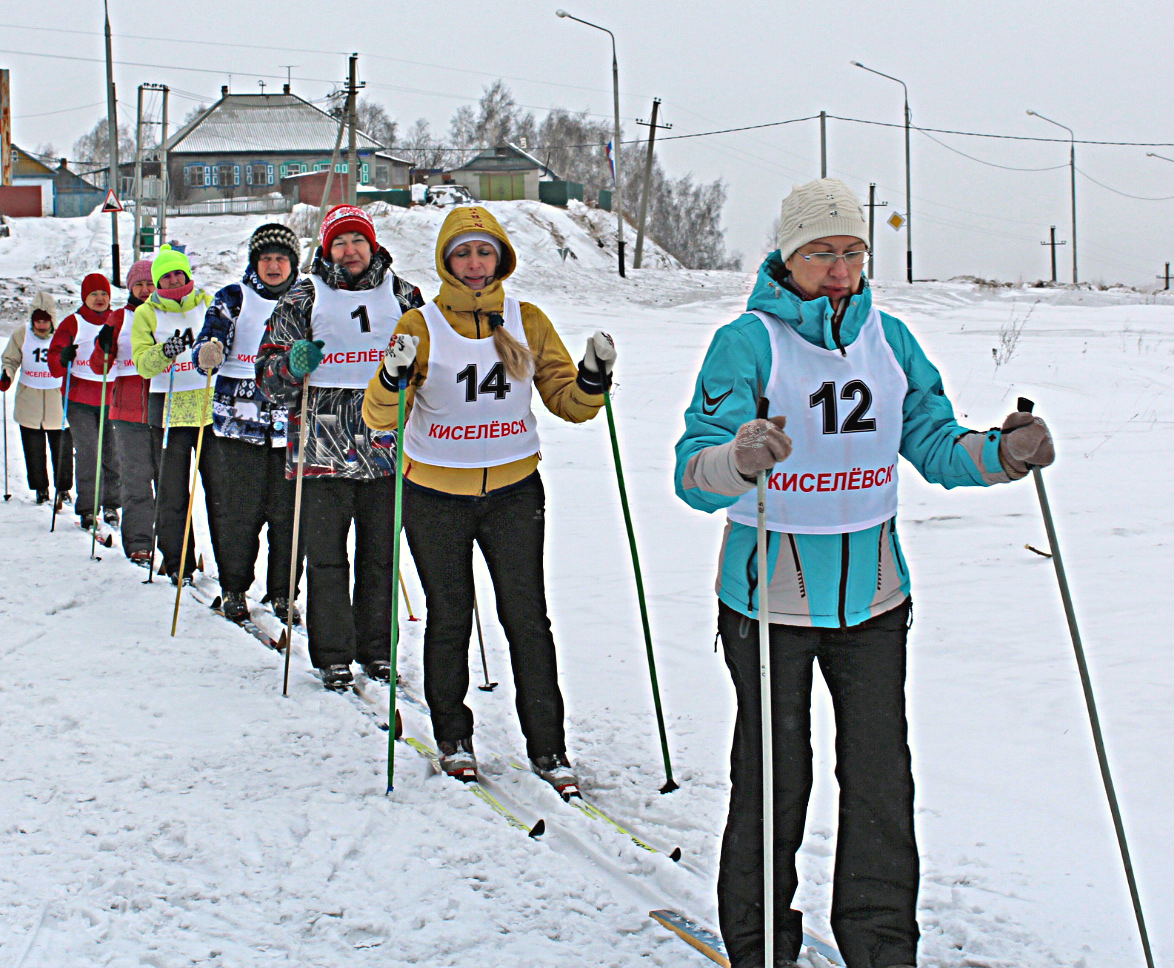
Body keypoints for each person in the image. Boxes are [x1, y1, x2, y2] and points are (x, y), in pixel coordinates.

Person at [674, 179, 1056, 968]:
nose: (840, 269)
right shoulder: (747, 342)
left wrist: (1005, 454)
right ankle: (760, 945)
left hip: (877, 598)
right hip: (770, 600)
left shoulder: (892, 340)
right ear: (789, 257)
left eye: (852, 251)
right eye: (821, 253)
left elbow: (936, 443)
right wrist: (737, 459)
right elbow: (691, 471)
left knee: (882, 783)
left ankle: (882, 946)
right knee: (775, 779)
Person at [362, 205, 616, 793]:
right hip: (434, 495)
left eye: (484, 252)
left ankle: (548, 748)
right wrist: (391, 378)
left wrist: (593, 379)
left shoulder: (527, 319)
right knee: (449, 617)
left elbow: (566, 401)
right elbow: (381, 416)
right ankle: (453, 735)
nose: (475, 264)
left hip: (513, 492)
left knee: (528, 619)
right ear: (446, 262)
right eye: (462, 253)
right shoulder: (419, 326)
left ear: (500, 258)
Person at [257, 204, 423, 689]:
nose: (349, 252)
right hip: (320, 450)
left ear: (372, 245)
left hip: (389, 449)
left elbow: (434, 363)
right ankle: (332, 653)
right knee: (327, 556)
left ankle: (377, 649)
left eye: (357, 241)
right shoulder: (303, 297)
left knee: (381, 556)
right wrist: (291, 364)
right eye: (338, 243)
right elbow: (267, 378)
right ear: (326, 249)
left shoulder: (405, 295)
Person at [193, 223, 304, 623]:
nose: (274, 266)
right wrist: (208, 351)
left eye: (281, 258)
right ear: (255, 262)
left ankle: (283, 592)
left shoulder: (307, 298)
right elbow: (210, 338)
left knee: (289, 517)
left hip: (293, 428)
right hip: (239, 425)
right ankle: (234, 587)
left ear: (293, 263)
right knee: (239, 513)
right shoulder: (233, 297)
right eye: (266, 258)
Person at [131, 244, 220, 585]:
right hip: (169, 412)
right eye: (165, 276)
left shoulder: (206, 302)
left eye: (177, 274)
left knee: (220, 492)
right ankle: (176, 559)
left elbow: (225, 342)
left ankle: (228, 563)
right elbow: (142, 364)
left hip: (209, 410)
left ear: (187, 274)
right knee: (172, 493)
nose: (172, 280)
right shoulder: (147, 313)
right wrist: (164, 351)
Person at [89, 260, 156, 565]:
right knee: (137, 481)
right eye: (139, 284)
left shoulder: (165, 314)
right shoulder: (119, 318)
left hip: (163, 408)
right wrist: (103, 348)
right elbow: (98, 366)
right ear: (130, 288)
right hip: (128, 410)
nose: (145, 290)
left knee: (170, 483)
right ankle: (140, 543)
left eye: (150, 283)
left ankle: (176, 547)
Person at [48, 273, 121, 531]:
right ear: (84, 297)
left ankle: (112, 503)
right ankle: (89, 508)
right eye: (94, 295)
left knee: (112, 453)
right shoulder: (73, 322)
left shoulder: (118, 319)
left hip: (111, 396)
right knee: (89, 453)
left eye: (104, 294)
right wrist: (63, 358)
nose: (100, 299)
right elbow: (54, 361)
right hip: (79, 398)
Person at [1, 292, 73, 504]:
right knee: (33, 450)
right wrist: (7, 374)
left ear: (52, 319)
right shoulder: (21, 335)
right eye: (37, 321)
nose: (41, 325)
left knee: (62, 451)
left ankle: (64, 488)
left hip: (57, 401)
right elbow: (10, 360)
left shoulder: (63, 335)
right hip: (29, 401)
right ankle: (40, 488)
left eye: (45, 321)